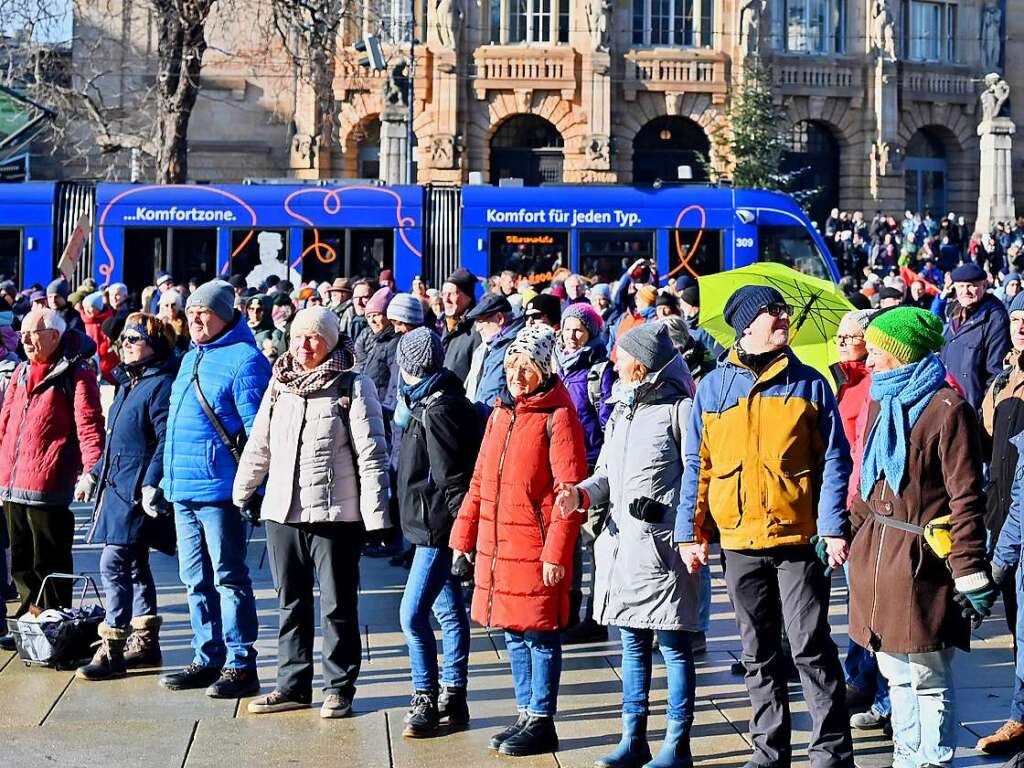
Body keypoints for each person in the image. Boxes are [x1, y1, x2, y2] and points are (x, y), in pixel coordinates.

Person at [676, 285, 854, 768]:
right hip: (739, 539)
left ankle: (831, 754)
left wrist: (833, 524)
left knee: (810, 648)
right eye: (772, 311)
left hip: (799, 539)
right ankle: (769, 752)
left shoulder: (811, 383)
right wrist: (690, 533)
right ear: (745, 324)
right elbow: (698, 463)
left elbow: (836, 459)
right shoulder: (713, 386)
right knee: (757, 654)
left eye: (784, 311)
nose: (783, 318)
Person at [848, 307, 994, 768]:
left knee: (928, 673)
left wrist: (969, 571)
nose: (867, 362)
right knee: (894, 673)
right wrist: (845, 532)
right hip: (877, 554)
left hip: (922, 560)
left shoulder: (948, 410)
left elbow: (966, 497)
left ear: (901, 353)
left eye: (875, 352)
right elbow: (869, 483)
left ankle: (934, 758)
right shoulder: (879, 400)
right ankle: (906, 755)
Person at [233, 306, 390, 718]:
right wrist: (243, 491)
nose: (304, 345)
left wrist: (376, 518)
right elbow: (260, 443)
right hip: (283, 512)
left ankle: (339, 687)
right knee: (290, 603)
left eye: (314, 337)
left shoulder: (353, 386)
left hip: (335, 516)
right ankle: (291, 685)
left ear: (332, 341)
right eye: (298, 336)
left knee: (338, 605)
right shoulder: (279, 384)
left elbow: (372, 453)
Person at [556, 323, 700, 768]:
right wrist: (579, 494)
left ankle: (677, 746)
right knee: (631, 644)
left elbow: (697, 477)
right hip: (621, 546)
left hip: (661, 549)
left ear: (642, 361)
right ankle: (632, 739)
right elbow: (606, 475)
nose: (613, 360)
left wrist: (677, 522)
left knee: (674, 646)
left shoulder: (680, 410)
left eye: (621, 354)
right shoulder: (620, 407)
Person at [450, 324, 587, 758]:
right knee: (513, 631)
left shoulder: (558, 417)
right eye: (513, 366)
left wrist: (557, 554)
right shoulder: (500, 415)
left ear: (544, 368)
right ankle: (527, 712)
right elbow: (479, 482)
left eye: (527, 367)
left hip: (535, 546)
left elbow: (570, 494)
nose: (517, 375)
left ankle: (542, 719)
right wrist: (463, 538)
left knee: (540, 635)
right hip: (499, 544)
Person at [158, 280, 271, 698]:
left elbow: (258, 434)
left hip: (220, 492)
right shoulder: (189, 358)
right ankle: (207, 656)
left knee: (228, 578)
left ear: (226, 313)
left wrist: (253, 492)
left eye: (203, 312)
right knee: (193, 580)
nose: (195, 320)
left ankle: (241, 664)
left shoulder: (246, 360)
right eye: (190, 313)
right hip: (182, 488)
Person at [74, 313, 179, 681]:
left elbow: (165, 440)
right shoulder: (127, 383)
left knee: (112, 562)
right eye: (124, 340)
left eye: (133, 340)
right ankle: (146, 642)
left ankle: (113, 646)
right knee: (134, 565)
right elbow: (116, 439)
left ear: (155, 347)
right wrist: (92, 474)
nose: (125, 346)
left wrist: (153, 483)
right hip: (118, 485)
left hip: (137, 490)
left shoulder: (160, 384)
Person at [393, 327, 481, 737]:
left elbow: (451, 479)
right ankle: (455, 693)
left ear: (407, 366)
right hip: (430, 524)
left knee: (412, 616)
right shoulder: (429, 399)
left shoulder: (437, 408)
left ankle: (425, 697)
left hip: (435, 529)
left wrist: (463, 541)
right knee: (448, 611)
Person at [0, 308, 104, 621]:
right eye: (23, 334)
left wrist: (91, 471)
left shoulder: (76, 372)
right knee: (20, 557)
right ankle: (29, 614)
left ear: (54, 336)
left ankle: (52, 616)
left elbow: (89, 424)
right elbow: (5, 423)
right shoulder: (20, 372)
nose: (26, 340)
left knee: (49, 556)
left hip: (48, 480)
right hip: (12, 481)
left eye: (33, 333)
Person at [831, 309, 893, 731]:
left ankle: (885, 699)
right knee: (860, 602)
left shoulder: (873, 385)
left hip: (870, 505)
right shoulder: (846, 382)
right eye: (839, 337)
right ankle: (861, 680)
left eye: (850, 337)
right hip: (851, 502)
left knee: (877, 604)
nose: (842, 343)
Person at [976, 291, 1024, 755]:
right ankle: (1020, 714)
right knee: (1017, 625)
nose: (1021, 326)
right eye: (1015, 318)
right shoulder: (1001, 381)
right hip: (1000, 512)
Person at [554, 302, 607, 644]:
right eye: (568, 329)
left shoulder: (599, 371)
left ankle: (596, 618)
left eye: (579, 330)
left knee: (595, 545)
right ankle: (568, 612)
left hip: (590, 465)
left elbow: (606, 421)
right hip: (563, 466)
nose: (572, 337)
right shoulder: (555, 366)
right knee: (568, 541)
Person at [940, 262, 1011, 410]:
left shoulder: (995, 318)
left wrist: (982, 412)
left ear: (984, 285)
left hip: (972, 408)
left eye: (971, 285)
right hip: (949, 404)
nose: (965, 291)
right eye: (960, 286)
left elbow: (996, 374)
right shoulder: (955, 312)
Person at [467, 294, 524, 408]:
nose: (478, 328)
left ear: (499, 318)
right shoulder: (495, 346)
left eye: (481, 321)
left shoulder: (515, 347)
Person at [354, 288, 399, 417]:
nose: (372, 321)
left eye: (376, 315)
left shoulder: (393, 343)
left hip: (384, 411)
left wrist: (387, 411)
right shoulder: (379, 340)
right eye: (369, 316)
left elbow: (394, 384)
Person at [441, 268, 481, 381]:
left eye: (452, 294)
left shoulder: (476, 330)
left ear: (468, 297)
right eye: (443, 294)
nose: (446, 299)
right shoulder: (446, 325)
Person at [80, 291, 119, 384]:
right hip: (90, 362)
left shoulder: (108, 321)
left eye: (91, 307)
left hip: (107, 362)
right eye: (85, 307)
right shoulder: (83, 321)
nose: (87, 310)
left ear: (99, 307)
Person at [340, 280, 373, 349]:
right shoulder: (347, 316)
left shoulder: (382, 324)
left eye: (365, 297)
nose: (359, 302)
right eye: (356, 298)